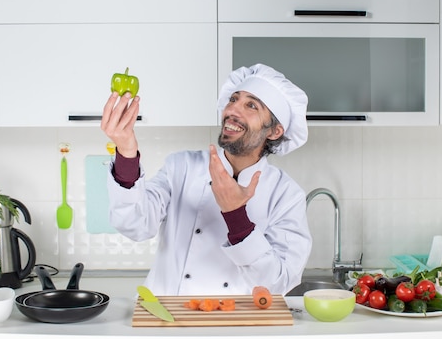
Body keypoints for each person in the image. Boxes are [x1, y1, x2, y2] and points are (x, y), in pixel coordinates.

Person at [101, 63, 312, 296]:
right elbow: (135, 225)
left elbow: (278, 283)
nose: (232, 110)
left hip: (234, 324)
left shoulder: (286, 195)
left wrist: (236, 217)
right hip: (169, 318)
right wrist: (126, 151)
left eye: (251, 105)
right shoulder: (181, 166)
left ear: (274, 132)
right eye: (233, 99)